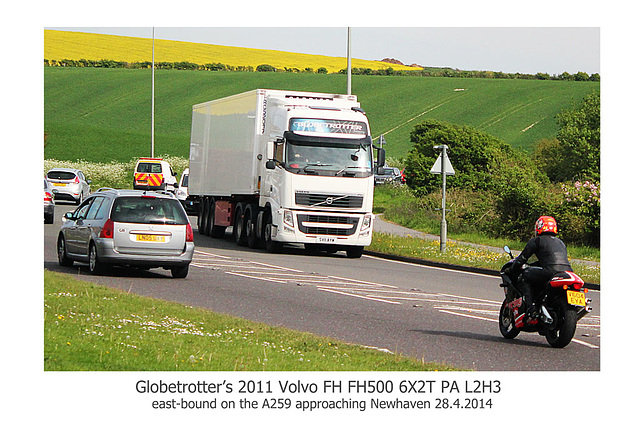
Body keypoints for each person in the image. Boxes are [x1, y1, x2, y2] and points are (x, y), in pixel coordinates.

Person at [508, 216, 573, 319]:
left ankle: (531, 308)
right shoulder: (560, 242)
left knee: (525, 276)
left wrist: (513, 269)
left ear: (539, 227)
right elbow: (549, 258)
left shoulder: (536, 240)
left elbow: (522, 258)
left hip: (550, 272)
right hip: (567, 272)